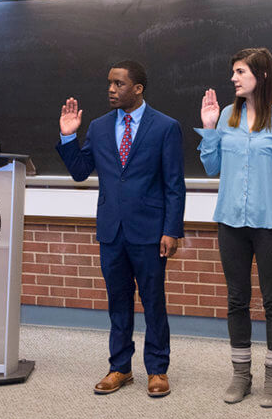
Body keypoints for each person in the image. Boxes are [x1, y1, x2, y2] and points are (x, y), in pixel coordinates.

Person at [56, 60, 186, 398]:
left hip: (150, 231)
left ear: (138, 88)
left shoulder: (165, 127)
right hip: (111, 231)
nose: (111, 90)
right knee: (118, 301)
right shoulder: (99, 128)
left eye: (119, 84)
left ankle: (157, 370)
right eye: (110, 84)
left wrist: (172, 230)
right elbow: (81, 171)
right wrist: (68, 136)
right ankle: (120, 368)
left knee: (153, 301)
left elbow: (174, 184)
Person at [196, 48, 272, 408]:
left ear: (262, 74)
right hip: (230, 222)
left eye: (240, 71)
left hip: (271, 226)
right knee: (236, 300)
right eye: (233, 71)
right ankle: (241, 375)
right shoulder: (227, 114)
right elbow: (211, 167)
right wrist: (209, 129)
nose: (233, 78)